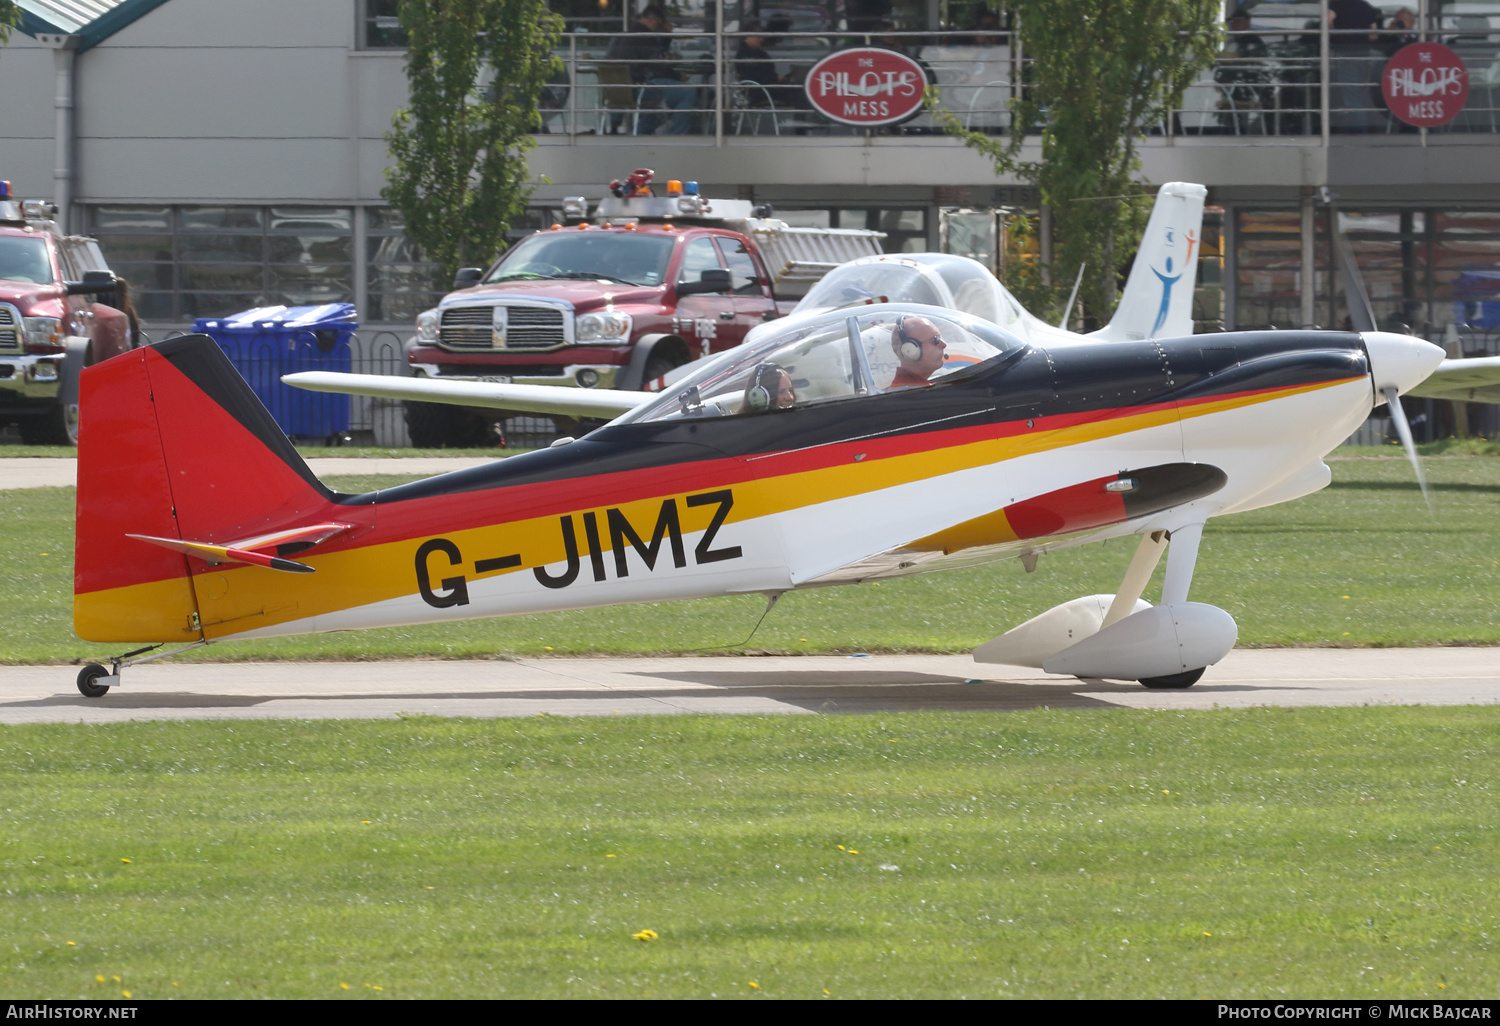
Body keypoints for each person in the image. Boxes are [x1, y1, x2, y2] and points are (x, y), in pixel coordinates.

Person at [604, 4, 697, 135]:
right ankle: (678, 135)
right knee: (688, 91)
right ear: (652, 20)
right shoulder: (644, 36)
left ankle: (635, 133)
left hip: (617, 91)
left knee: (659, 107)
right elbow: (659, 64)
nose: (658, 29)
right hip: (638, 89)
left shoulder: (622, 36)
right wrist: (678, 76)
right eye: (659, 25)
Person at [888, 315, 946, 387]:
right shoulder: (910, 394)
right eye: (935, 340)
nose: (944, 345)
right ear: (910, 351)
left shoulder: (918, 387)